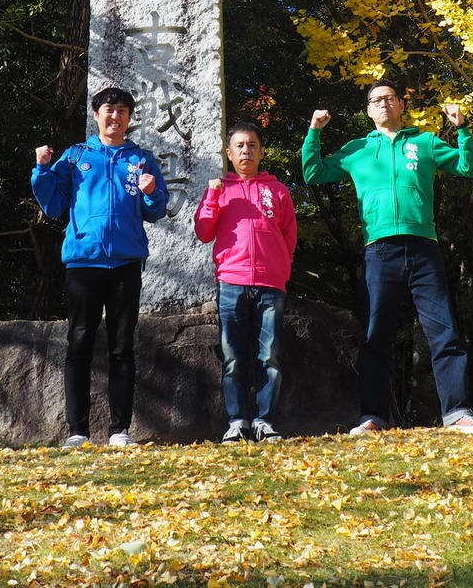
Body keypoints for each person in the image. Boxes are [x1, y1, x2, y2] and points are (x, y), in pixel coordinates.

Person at [302, 80, 473, 436]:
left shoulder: (426, 141)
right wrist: (314, 132)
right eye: (375, 100)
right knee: (376, 336)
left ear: (401, 105)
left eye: (389, 98)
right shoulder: (357, 149)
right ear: (368, 110)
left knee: (444, 331)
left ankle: (458, 413)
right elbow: (312, 173)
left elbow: (469, 167)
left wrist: (462, 127)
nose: (383, 104)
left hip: (424, 247)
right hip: (379, 250)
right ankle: (372, 417)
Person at [32, 86, 169, 448]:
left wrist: (153, 190)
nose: (115, 116)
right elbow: (54, 205)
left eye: (123, 111)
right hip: (83, 262)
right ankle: (77, 431)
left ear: (129, 118)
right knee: (79, 342)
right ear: (96, 115)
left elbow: (156, 210)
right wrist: (42, 170)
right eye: (109, 109)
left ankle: (119, 431)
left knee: (122, 347)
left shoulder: (140, 159)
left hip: (125, 264)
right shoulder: (77, 156)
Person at [194, 121, 298, 444]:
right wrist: (212, 195)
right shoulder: (219, 189)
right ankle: (237, 420)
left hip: (271, 283)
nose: (246, 151)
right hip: (231, 281)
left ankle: (265, 420)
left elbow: (289, 237)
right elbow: (203, 231)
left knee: (270, 356)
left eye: (252, 145)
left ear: (261, 151)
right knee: (233, 356)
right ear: (229, 152)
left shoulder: (277, 191)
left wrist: (280, 268)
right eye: (239, 145)